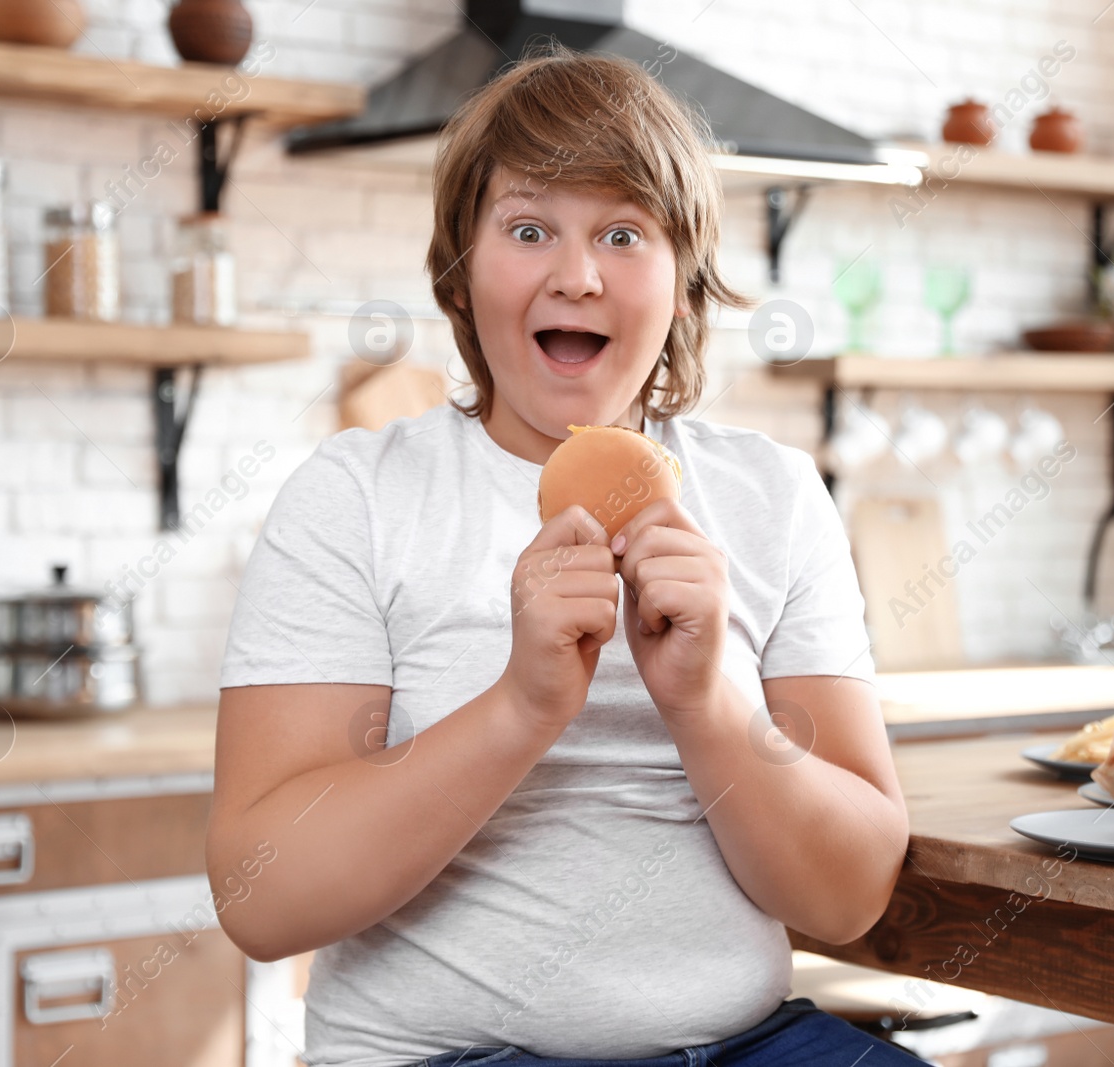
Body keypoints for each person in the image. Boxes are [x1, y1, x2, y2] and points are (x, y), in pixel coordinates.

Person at [207, 43, 919, 1067]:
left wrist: (709, 703)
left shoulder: (773, 496)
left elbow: (847, 895)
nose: (577, 275)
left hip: (744, 1046)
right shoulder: (355, 496)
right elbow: (260, 899)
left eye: (624, 234)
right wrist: (521, 705)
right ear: (462, 269)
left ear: (681, 285)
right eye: (529, 228)